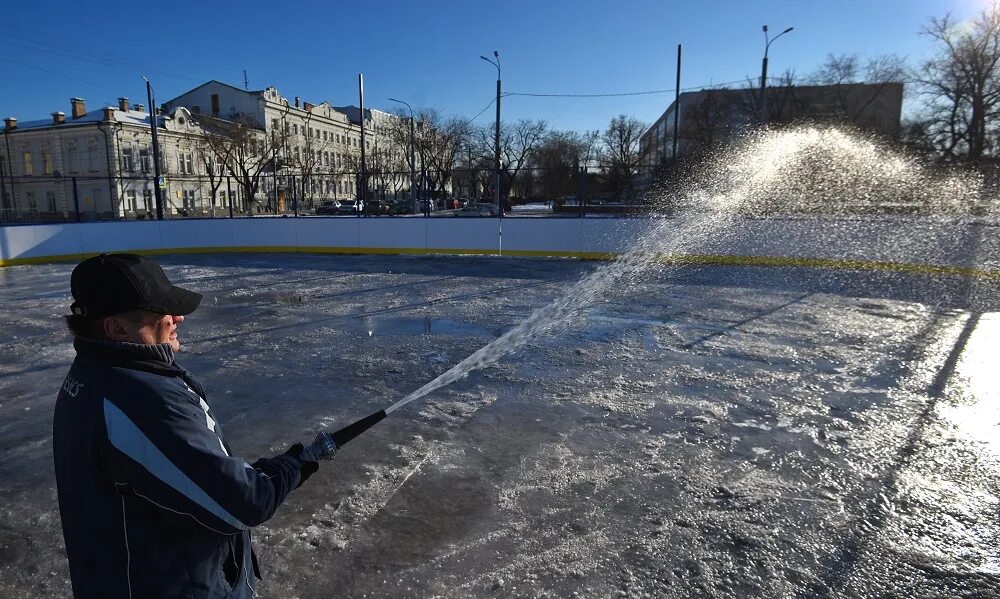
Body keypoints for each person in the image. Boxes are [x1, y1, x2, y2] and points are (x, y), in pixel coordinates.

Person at [53, 253, 337, 598]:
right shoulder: (139, 401)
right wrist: (293, 465)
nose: (179, 317)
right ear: (117, 327)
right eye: (163, 310)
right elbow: (242, 503)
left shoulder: (92, 374)